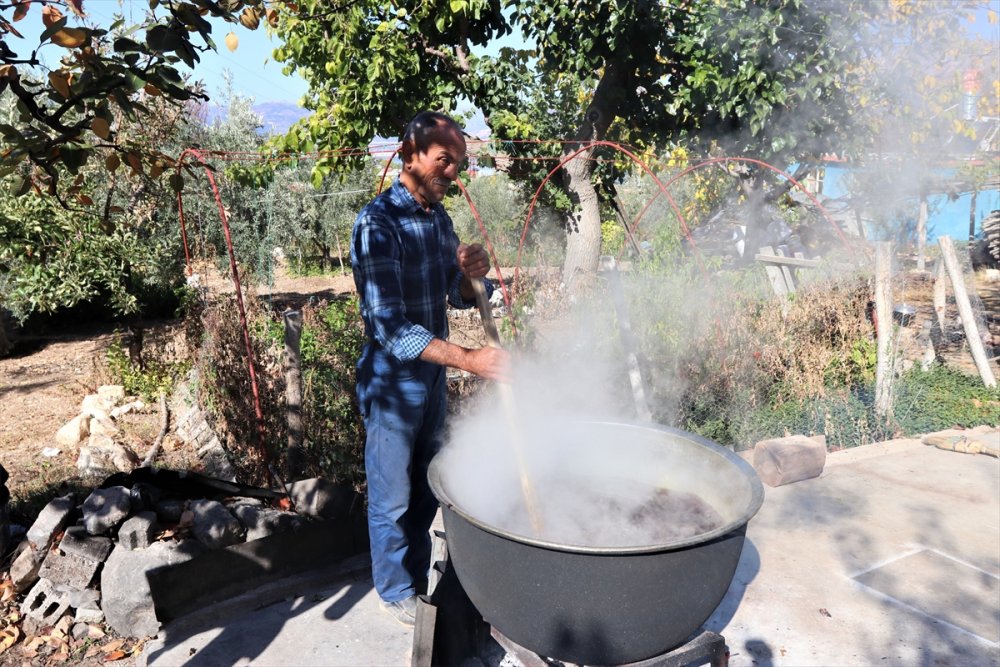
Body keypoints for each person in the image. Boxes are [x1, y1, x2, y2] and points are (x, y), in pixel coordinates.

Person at [351, 110, 509, 626]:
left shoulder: (437, 219)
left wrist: (469, 276)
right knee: (392, 496)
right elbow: (391, 329)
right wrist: (468, 359)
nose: (451, 174)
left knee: (425, 489)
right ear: (410, 154)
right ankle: (396, 588)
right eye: (444, 161)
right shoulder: (378, 224)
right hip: (392, 385)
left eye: (458, 164)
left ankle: (417, 581)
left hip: (431, 378)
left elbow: (456, 297)